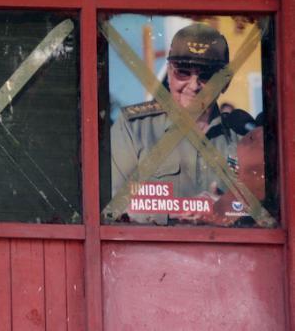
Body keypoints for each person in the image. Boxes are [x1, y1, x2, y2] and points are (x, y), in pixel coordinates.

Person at [109, 23, 257, 225]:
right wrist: (180, 210)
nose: (194, 85)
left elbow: (268, 213)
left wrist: (226, 211)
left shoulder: (244, 135)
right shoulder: (134, 129)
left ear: (226, 81)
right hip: (152, 254)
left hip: (227, 254)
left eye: (206, 75)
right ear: (169, 73)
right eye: (183, 72)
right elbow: (112, 207)